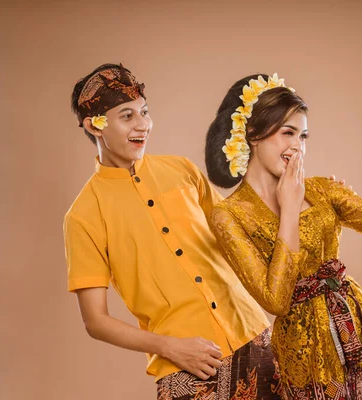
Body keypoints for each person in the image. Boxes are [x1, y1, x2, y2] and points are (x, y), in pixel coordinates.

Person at [205, 73, 362, 399]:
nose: (297, 147)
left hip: (355, 331)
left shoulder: (323, 189)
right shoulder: (228, 215)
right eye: (288, 133)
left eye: (303, 136)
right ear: (253, 135)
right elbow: (276, 300)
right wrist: (289, 207)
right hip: (303, 353)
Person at [64, 63, 285, 400]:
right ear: (95, 125)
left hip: (256, 337)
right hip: (187, 365)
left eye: (145, 111)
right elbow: (96, 320)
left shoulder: (180, 170)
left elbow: (239, 238)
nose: (143, 125)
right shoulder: (84, 215)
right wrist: (171, 347)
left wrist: (301, 199)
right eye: (127, 116)